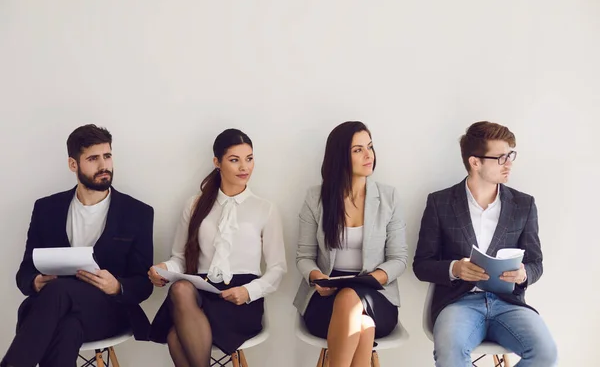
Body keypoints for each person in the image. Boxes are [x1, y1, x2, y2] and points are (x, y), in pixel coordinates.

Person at [1, 124, 154, 367]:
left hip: (109, 311)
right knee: (67, 326)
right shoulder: (47, 209)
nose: (104, 165)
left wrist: (117, 286)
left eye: (107, 156)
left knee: (58, 292)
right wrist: (35, 281)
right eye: (93, 158)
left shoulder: (137, 213)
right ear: (73, 164)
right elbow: (25, 272)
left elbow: (144, 284)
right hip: (59, 313)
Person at [413, 121, 558, 366]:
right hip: (458, 303)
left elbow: (536, 263)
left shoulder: (523, 205)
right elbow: (421, 265)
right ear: (475, 162)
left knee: (546, 353)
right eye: (501, 157)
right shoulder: (440, 203)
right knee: (450, 354)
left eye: (510, 155)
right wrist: (454, 268)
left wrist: (524, 274)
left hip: (508, 305)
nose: (509, 163)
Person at [148, 128, 286, 367]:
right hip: (201, 295)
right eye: (235, 160)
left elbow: (278, 268)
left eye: (249, 159)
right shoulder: (194, 205)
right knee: (180, 288)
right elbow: (180, 258)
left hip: (242, 300)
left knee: (175, 337)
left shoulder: (265, 209)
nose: (245, 167)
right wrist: (163, 268)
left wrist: (248, 291)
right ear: (217, 162)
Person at [293, 121, 408, 367]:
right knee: (363, 325)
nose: (369, 155)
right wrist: (316, 277)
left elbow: (399, 258)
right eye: (358, 150)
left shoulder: (388, 197)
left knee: (351, 298)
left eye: (370, 146)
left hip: (377, 294)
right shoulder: (316, 198)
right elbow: (304, 256)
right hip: (326, 297)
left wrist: (376, 277)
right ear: (340, 156)